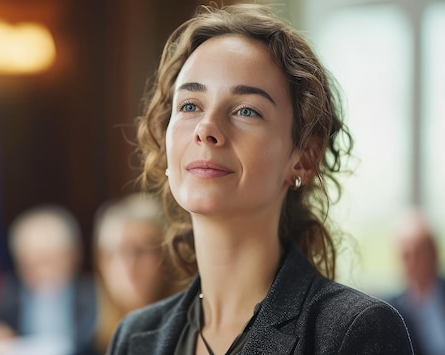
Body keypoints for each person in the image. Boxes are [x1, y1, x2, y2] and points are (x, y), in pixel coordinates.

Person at [106, 3, 413, 354]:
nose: (206, 129)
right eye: (190, 105)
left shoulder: (352, 332)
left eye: (246, 110)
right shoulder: (133, 338)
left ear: (304, 158)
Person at [0, 205, 96, 354]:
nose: (43, 272)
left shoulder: (94, 295)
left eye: (48, 260)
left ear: (72, 256)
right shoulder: (5, 293)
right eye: (32, 263)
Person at [90, 193, 179, 353]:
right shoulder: (90, 340)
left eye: (139, 251)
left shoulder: (186, 333)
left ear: (166, 256)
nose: (128, 266)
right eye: (114, 253)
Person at [388, 208, 445, 355]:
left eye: (419, 253)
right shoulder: (393, 310)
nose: (413, 263)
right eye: (406, 256)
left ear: (434, 252)